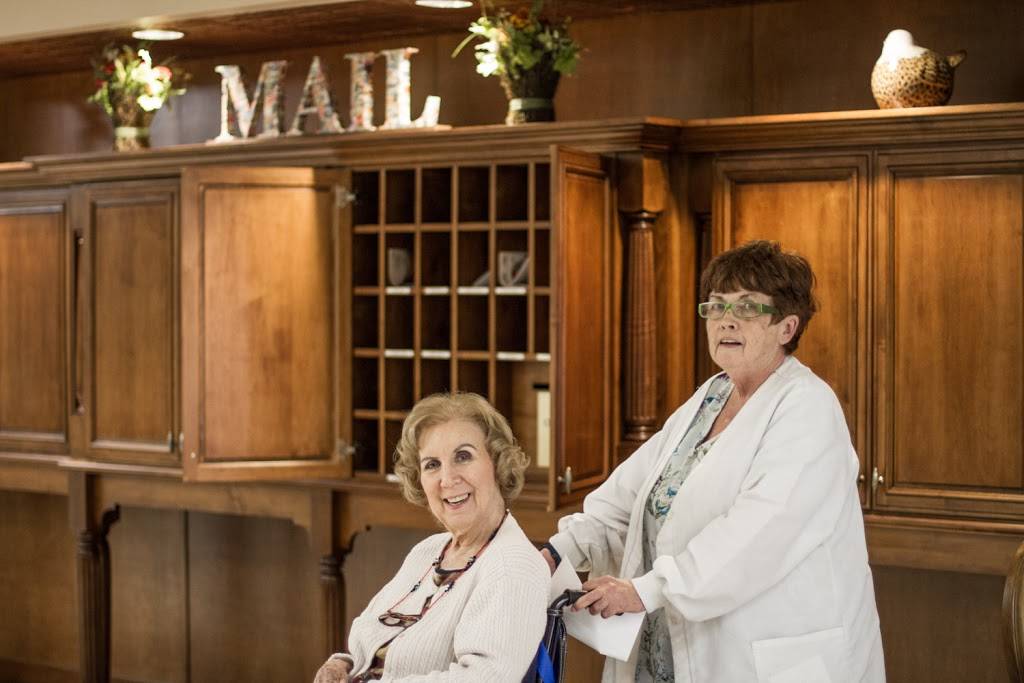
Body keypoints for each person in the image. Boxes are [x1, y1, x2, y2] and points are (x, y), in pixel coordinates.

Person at [540, 240, 884, 682]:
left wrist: (645, 590)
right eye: (717, 306)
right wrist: (557, 552)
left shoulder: (808, 408)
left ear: (787, 327)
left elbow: (757, 534)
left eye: (748, 307)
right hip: (671, 648)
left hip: (769, 656)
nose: (726, 320)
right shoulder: (711, 397)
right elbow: (630, 498)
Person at [314, 392, 549, 683]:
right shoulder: (429, 551)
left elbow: (485, 678)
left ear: (498, 463)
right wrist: (344, 664)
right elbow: (376, 635)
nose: (447, 479)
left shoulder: (513, 566)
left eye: (463, 456)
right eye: (432, 464)